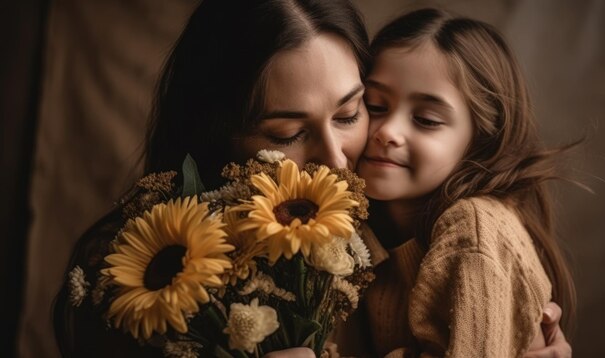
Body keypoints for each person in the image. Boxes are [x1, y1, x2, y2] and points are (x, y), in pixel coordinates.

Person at [53, 1, 570, 357]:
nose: (338, 162)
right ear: (217, 137)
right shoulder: (145, 278)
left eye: (350, 114)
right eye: (288, 132)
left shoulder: (386, 239)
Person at [348, 7, 575, 357]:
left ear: (481, 139)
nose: (388, 132)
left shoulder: (474, 227)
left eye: (425, 119)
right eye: (375, 105)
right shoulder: (356, 224)